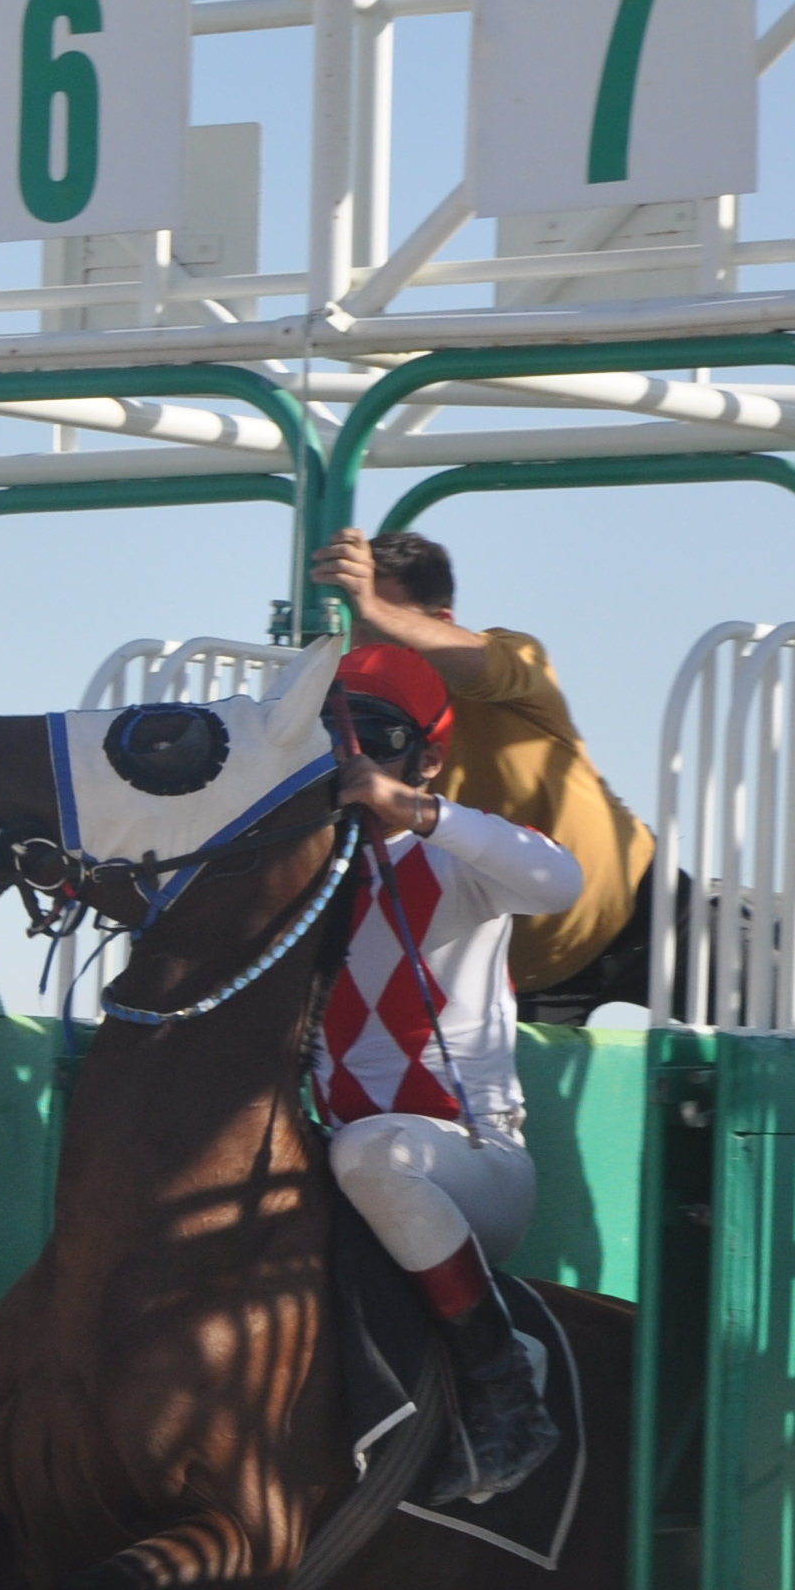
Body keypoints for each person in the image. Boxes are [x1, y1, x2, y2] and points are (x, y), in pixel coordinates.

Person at [319, 642, 586, 1502]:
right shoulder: (296, 872)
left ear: (429, 755)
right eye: (330, 735)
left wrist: (416, 810)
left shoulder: (457, 863)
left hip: (473, 1171)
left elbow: (558, 879)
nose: (350, 756)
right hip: (343, 1169)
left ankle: (502, 1376)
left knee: (369, 1155)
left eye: (379, 738)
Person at [307, 527, 652, 1016]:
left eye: (382, 627)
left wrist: (375, 609)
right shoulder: (349, 718)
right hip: (526, 976)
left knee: (780, 1019)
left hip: (644, 908)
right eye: (358, 628)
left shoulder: (513, 659)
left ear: (442, 620)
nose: (366, 649)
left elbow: (476, 663)